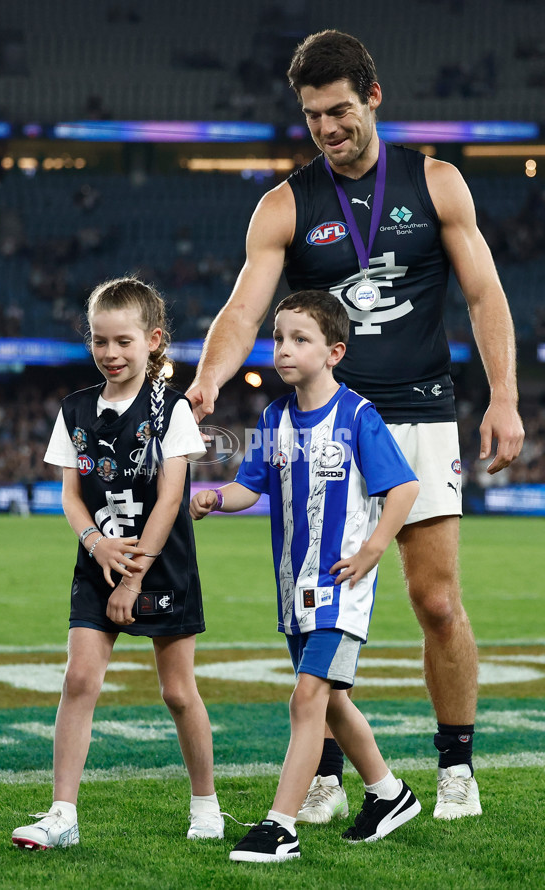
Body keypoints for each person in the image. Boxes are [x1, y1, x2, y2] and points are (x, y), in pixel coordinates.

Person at [186, 30, 525, 822]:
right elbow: (245, 307)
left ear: (374, 97)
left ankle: (455, 769)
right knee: (316, 606)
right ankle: (330, 774)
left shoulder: (436, 183)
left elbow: (485, 294)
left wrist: (502, 394)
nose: (328, 129)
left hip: (419, 415)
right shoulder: (285, 203)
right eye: (313, 118)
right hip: (322, 427)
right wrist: (207, 379)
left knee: (436, 600)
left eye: (340, 111)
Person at [191, 290, 420, 862]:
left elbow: (406, 487)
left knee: (307, 698)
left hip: (341, 587)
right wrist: (217, 496)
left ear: (334, 351)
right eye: (279, 338)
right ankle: (390, 795)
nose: (285, 349)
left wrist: (372, 548)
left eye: (301, 339)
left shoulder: (358, 416)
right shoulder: (273, 418)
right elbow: (253, 485)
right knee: (334, 702)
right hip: (295, 589)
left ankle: (280, 826)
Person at [12, 277, 223, 850]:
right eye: (100, 341)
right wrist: (94, 542)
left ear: (153, 341)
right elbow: (70, 494)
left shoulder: (171, 409)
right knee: (79, 678)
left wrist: (133, 576)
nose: (110, 353)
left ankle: (206, 804)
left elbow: (173, 498)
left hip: (161, 566)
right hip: (96, 562)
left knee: (178, 692)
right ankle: (62, 815)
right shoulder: (74, 409)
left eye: (123, 342)